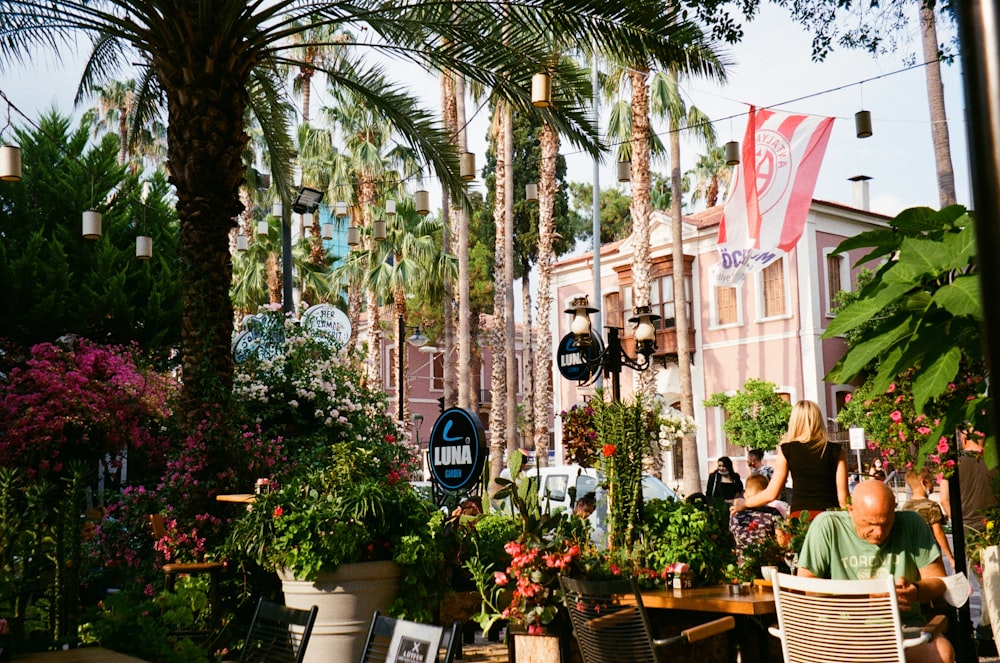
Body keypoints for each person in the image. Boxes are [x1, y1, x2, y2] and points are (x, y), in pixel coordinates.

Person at [798, 480, 955, 663]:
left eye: (886, 523)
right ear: (851, 510)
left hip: (903, 628)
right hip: (842, 630)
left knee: (942, 653)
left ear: (894, 509)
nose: (879, 532)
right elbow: (805, 585)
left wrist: (915, 590)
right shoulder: (828, 526)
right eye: (869, 523)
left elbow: (938, 581)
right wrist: (866, 597)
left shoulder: (912, 524)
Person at [731, 400, 848, 519]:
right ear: (818, 420)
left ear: (794, 422)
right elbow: (843, 499)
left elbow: (771, 494)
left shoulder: (787, 450)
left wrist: (745, 503)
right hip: (831, 517)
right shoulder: (837, 451)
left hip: (801, 519)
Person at [939, 426, 999, 653]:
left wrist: (959, 520)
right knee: (991, 583)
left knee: (984, 584)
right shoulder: (993, 461)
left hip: (968, 530)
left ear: (964, 438)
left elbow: (944, 499)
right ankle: (987, 631)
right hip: (993, 527)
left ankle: (984, 631)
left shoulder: (953, 463)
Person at [901, 469, 956, 569]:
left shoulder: (905, 507)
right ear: (924, 482)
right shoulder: (931, 506)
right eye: (931, 481)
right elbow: (938, 533)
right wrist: (950, 557)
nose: (933, 485)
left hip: (913, 554)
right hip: (931, 554)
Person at [729, 474, 786, 558]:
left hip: (743, 561)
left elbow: (735, 538)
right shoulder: (773, 513)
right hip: (767, 561)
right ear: (765, 494)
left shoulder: (735, 515)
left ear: (745, 494)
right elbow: (781, 541)